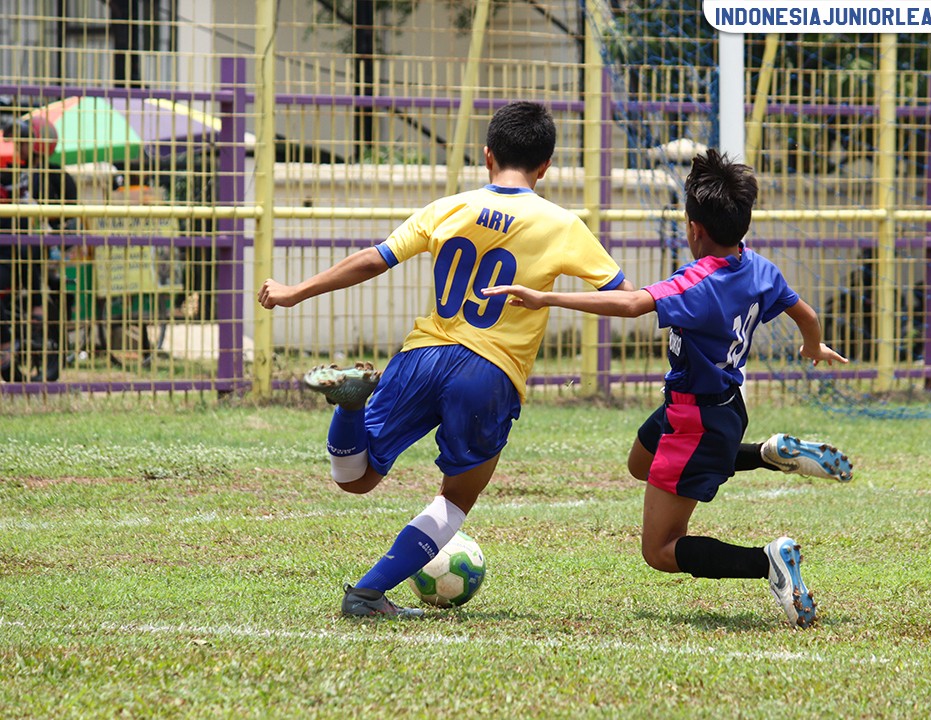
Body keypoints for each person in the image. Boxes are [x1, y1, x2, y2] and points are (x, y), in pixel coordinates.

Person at [258, 101, 635, 618]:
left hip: (424, 354)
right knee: (457, 497)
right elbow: (624, 297)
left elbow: (374, 258)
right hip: (489, 372)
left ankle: (348, 407)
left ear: (487, 156)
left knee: (355, 478)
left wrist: (295, 291)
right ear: (545, 166)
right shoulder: (562, 224)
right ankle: (366, 594)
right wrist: (552, 297)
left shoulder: (448, 207)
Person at [485, 149, 848, 629]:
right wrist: (814, 346)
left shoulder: (696, 285)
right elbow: (806, 313)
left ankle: (768, 562)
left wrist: (544, 296)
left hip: (693, 422)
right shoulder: (760, 268)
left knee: (659, 550)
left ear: (694, 228)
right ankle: (768, 452)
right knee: (639, 463)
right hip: (712, 408)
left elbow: (634, 304)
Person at [0, 115, 77, 381]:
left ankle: (33, 327)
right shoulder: (11, 172)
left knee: (29, 262)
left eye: (22, 141)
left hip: (38, 250)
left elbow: (68, 221)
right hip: (11, 248)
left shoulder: (53, 175)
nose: (17, 146)